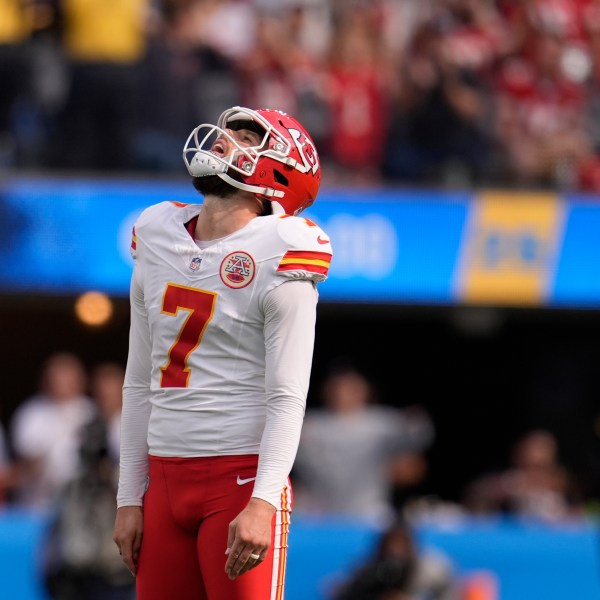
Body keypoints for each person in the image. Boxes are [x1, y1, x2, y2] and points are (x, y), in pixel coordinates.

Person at [112, 105, 331, 600]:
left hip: (239, 478)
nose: (224, 139)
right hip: (163, 481)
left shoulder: (282, 247)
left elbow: (288, 394)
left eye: (246, 135)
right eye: (228, 129)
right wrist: (130, 497)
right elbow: (138, 378)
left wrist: (263, 501)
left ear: (278, 169)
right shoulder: (156, 231)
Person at [292, 362, 435, 528]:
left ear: (365, 390)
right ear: (326, 390)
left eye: (352, 387)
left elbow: (420, 435)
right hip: (316, 514)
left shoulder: (381, 422)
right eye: (339, 386)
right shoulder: (309, 425)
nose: (344, 393)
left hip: (368, 512)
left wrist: (416, 420)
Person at [10, 351, 97, 510]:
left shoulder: (91, 412)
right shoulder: (31, 413)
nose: (63, 382)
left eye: (68, 377)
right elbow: (26, 461)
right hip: (39, 503)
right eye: (58, 378)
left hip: (82, 503)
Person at [331, 517, 460, 600]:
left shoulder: (434, 570)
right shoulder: (369, 570)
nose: (395, 550)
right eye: (391, 543)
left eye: (402, 544)